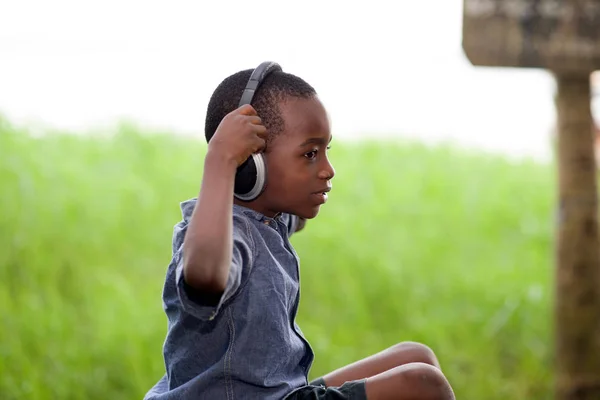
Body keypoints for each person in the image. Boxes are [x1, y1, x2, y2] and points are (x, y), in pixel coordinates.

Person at [144, 63, 456, 400]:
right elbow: (204, 276)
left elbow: (293, 212)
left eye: (326, 151)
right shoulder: (225, 238)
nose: (328, 169)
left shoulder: (267, 217)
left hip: (280, 392)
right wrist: (219, 161)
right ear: (251, 164)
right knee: (422, 385)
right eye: (310, 154)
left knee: (415, 355)